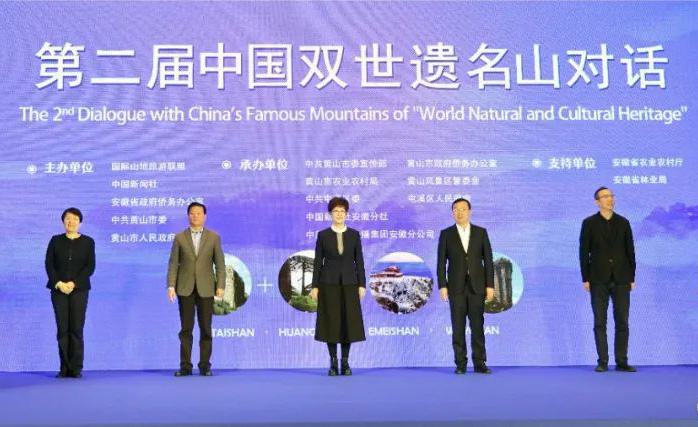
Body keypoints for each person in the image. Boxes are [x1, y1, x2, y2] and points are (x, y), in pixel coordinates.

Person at [579, 187, 637, 373]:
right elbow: (583, 253)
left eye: (611, 196)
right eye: (605, 197)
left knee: (622, 322)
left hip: (621, 278)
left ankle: (622, 360)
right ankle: (602, 361)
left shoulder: (623, 222)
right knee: (599, 322)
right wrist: (586, 278)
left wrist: (631, 277)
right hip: (598, 278)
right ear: (597, 202)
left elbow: (630, 251)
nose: (610, 199)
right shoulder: (589, 223)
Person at [167, 202, 225, 376]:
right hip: (185, 288)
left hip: (206, 288)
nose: (195, 216)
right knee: (186, 329)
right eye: (192, 213)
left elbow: (220, 264)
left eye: (199, 213)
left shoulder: (214, 237)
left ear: (205, 216)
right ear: (188, 216)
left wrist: (220, 286)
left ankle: (205, 366)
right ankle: (185, 366)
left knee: (206, 328)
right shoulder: (179, 237)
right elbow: (173, 264)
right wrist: (171, 286)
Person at [437, 198, 494, 374]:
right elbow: (441, 262)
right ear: (452, 212)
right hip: (456, 288)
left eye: (463, 209)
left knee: (477, 326)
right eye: (456, 209)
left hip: (477, 287)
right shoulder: (446, 234)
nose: (460, 212)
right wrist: (442, 285)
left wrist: (490, 285)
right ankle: (460, 363)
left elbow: (488, 261)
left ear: (469, 211)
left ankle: (480, 363)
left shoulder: (480, 232)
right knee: (458, 327)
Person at [311, 197, 366, 376]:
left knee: (348, 322)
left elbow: (359, 261)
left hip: (350, 283)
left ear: (347, 214)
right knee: (331, 322)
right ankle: (333, 362)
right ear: (330, 214)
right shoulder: (323, 235)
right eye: (336, 211)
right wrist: (315, 286)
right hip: (328, 283)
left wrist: (362, 284)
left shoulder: (354, 235)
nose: (339, 214)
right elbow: (318, 262)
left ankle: (346, 362)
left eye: (342, 211)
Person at [45, 207, 95, 378]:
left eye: (75, 219)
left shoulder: (88, 242)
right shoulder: (55, 240)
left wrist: (74, 283)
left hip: (79, 290)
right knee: (62, 329)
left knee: (76, 329)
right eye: (68, 218)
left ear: (80, 222)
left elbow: (90, 266)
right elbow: (49, 264)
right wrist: (59, 283)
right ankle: (64, 367)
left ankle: (76, 368)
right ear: (63, 221)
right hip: (59, 291)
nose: (71, 221)